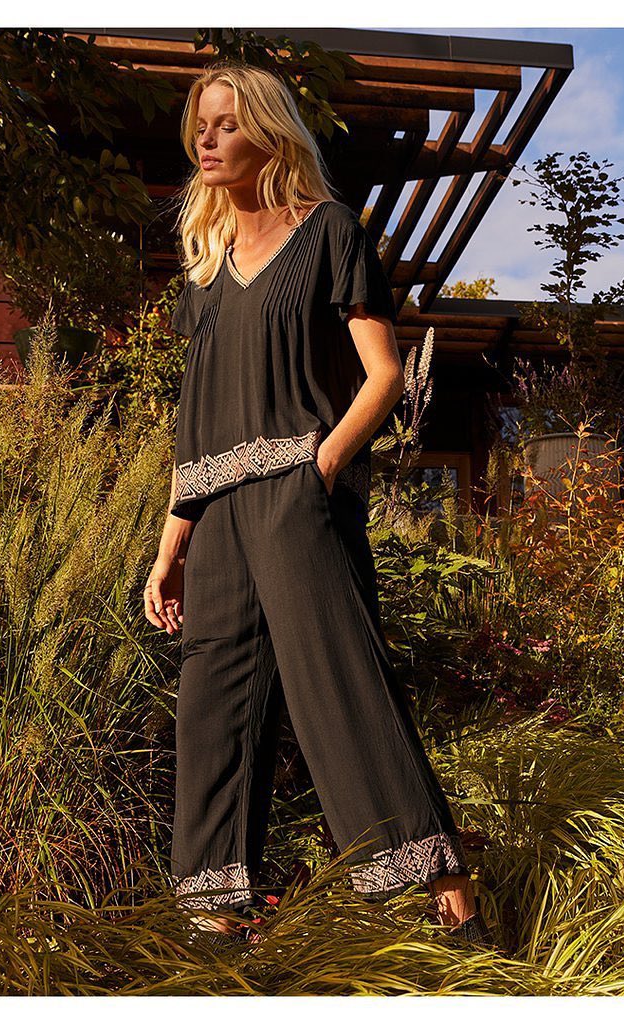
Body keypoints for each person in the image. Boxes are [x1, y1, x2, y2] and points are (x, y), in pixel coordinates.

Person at [143, 60, 492, 949]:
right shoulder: (205, 272)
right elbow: (195, 419)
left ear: (268, 133)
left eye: (227, 123)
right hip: (217, 513)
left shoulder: (330, 231)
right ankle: (215, 927)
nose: (208, 139)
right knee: (214, 706)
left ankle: (449, 904)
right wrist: (170, 544)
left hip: (297, 497)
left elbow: (383, 377)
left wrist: (322, 466)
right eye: (201, 125)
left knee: (339, 685)